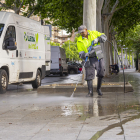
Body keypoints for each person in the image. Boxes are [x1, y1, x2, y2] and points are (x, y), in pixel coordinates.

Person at [77, 25, 107, 97]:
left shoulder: (94, 33)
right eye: (80, 33)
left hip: (98, 56)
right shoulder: (79, 41)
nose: (82, 33)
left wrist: (98, 39)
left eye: (82, 32)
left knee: (101, 72)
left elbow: (104, 37)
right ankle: (90, 92)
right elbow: (80, 52)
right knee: (89, 75)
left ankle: (98, 89)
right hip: (89, 58)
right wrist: (84, 54)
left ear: (86, 29)